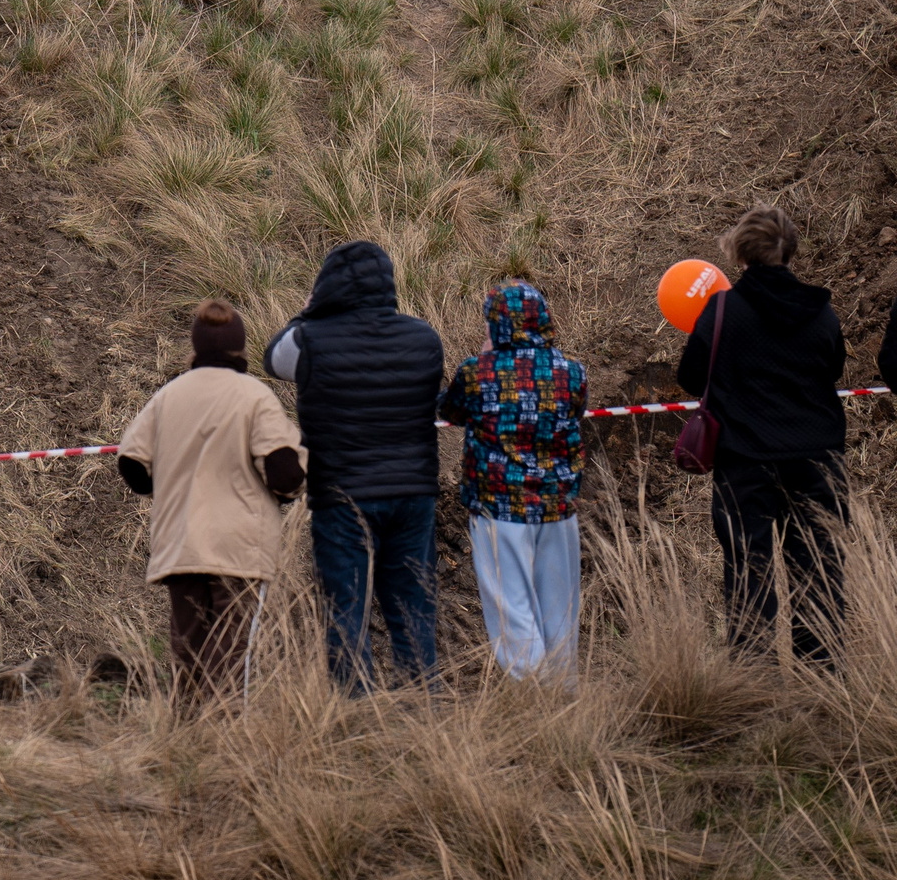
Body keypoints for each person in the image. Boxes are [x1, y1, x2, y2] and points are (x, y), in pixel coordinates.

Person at [263, 240, 446, 692]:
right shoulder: (424, 337)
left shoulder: (309, 339)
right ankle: (423, 701)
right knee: (413, 605)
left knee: (345, 608)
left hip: (342, 495)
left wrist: (306, 313)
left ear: (329, 286)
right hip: (414, 493)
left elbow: (273, 359)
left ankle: (355, 707)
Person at [679, 206, 847, 664]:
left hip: (745, 460)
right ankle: (822, 678)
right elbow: (833, 369)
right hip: (817, 458)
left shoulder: (723, 309)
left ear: (739, 252)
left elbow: (691, 377)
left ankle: (754, 680)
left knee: (748, 570)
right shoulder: (821, 311)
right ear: (790, 250)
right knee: (818, 568)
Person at [117, 301, 305, 705]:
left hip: (181, 542)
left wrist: (170, 486)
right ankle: (224, 734)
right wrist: (281, 494)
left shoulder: (167, 396)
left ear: (195, 345)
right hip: (239, 548)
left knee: (188, 650)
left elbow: (132, 464)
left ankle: (186, 732)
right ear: (241, 346)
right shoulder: (255, 397)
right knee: (232, 654)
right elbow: (286, 474)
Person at [437, 281, 587, 682]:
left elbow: (449, 410)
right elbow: (577, 410)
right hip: (557, 506)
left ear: (497, 325)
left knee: (512, 609)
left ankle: (533, 696)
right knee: (561, 610)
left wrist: (487, 356)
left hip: (499, 506)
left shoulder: (477, 372)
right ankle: (564, 693)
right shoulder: (571, 372)